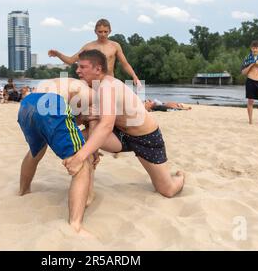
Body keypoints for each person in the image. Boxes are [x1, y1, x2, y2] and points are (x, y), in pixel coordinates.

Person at [63, 49, 185, 199]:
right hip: (119, 134)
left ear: (98, 69)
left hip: (145, 137)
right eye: (78, 66)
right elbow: (91, 119)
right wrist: (90, 148)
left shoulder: (108, 87)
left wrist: (80, 156)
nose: (78, 70)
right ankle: (86, 193)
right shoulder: (93, 86)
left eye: (82, 67)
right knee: (77, 140)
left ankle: (180, 176)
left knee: (168, 190)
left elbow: (106, 126)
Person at [18, 77, 98, 233]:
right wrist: (92, 152)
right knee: (81, 161)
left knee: (35, 152)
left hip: (27, 104)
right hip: (51, 104)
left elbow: (72, 117)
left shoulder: (63, 83)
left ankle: (23, 190)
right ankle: (75, 225)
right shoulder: (92, 94)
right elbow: (93, 129)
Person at [48, 19, 142, 87]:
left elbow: (125, 64)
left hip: (109, 82)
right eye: (100, 32)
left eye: (105, 31)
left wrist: (135, 77)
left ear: (110, 31)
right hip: (93, 84)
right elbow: (71, 61)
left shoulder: (115, 46)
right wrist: (58, 54)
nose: (103, 34)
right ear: (95, 32)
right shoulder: (89, 47)